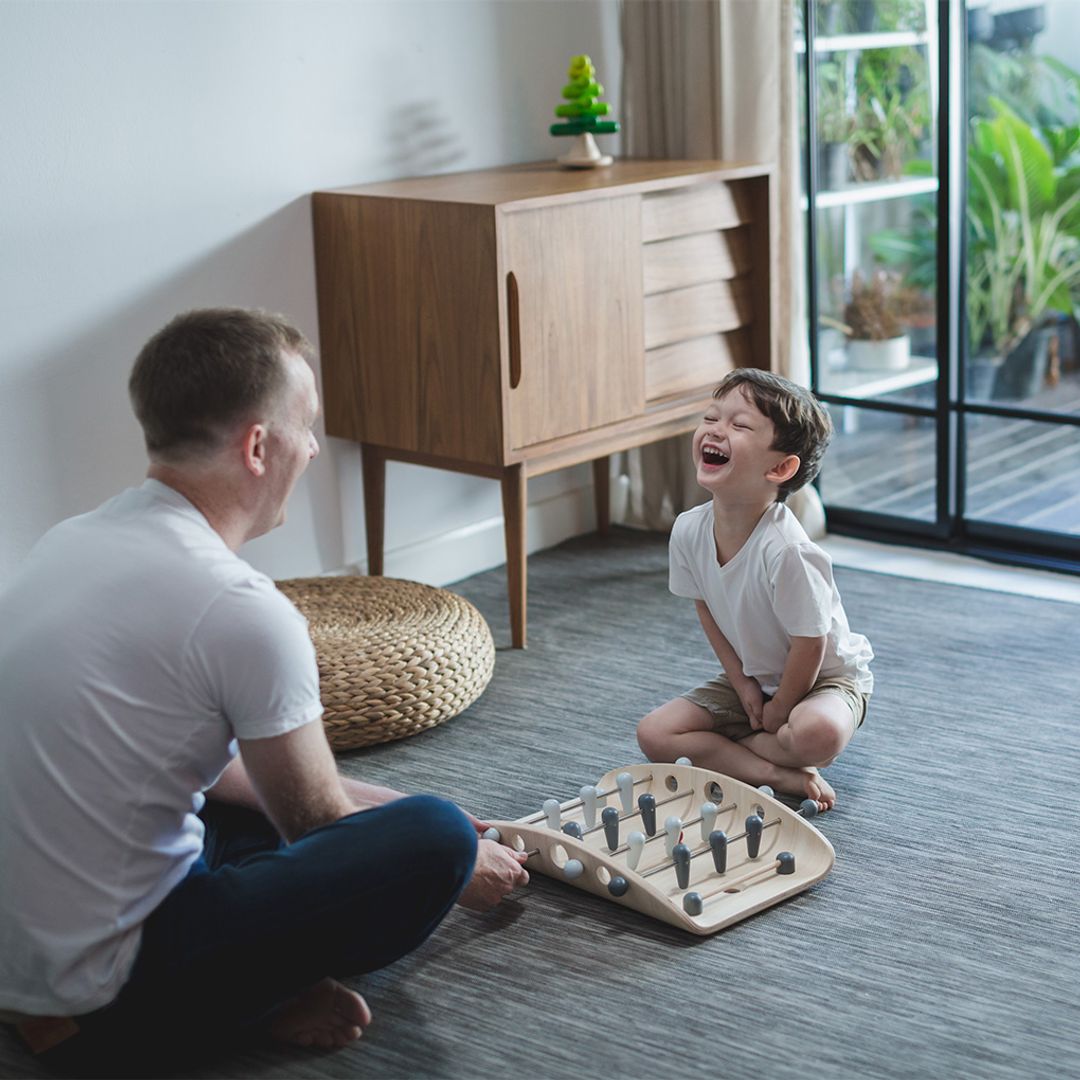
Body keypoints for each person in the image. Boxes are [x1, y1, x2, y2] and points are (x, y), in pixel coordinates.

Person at [0, 308, 529, 1074]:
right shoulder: (241, 608)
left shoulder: (69, 541)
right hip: (102, 988)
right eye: (305, 425)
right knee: (434, 838)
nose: (312, 446)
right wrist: (456, 859)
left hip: (20, 930)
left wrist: (378, 800)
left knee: (245, 806)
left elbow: (198, 769)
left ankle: (233, 982)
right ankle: (221, 1004)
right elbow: (316, 824)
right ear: (258, 445)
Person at [636, 368, 873, 812]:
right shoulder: (688, 530)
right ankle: (772, 771)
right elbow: (706, 608)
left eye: (739, 425)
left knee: (817, 733)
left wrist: (782, 707)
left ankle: (739, 747)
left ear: (780, 468)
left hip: (825, 678)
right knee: (654, 733)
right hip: (757, 677)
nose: (716, 430)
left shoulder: (788, 551)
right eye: (711, 418)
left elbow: (811, 643)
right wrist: (743, 683)